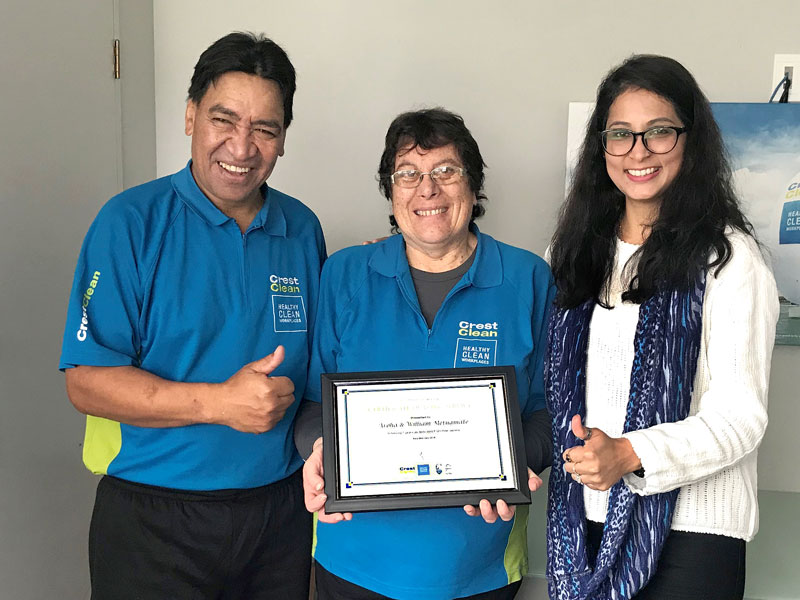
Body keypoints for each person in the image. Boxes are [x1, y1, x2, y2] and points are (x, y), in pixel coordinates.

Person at [59, 32, 325, 599]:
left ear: (282, 140)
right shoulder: (129, 223)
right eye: (223, 120)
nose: (242, 146)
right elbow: (85, 383)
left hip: (279, 515)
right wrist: (219, 402)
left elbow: (325, 364)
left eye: (265, 129)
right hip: (153, 519)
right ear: (190, 117)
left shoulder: (302, 229)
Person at [295, 108, 554, 600]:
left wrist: (518, 462)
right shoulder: (344, 274)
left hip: (479, 566)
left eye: (446, 171)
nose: (427, 189)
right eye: (408, 174)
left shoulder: (528, 279)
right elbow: (312, 405)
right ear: (391, 193)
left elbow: (547, 412)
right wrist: (319, 452)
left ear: (474, 187)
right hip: (352, 561)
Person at [545, 54, 779, 600]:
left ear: (690, 141)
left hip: (693, 536)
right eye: (621, 134)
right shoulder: (573, 252)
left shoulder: (729, 258)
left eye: (659, 133)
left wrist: (629, 454)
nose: (639, 152)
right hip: (582, 521)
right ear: (601, 146)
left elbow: (741, 416)